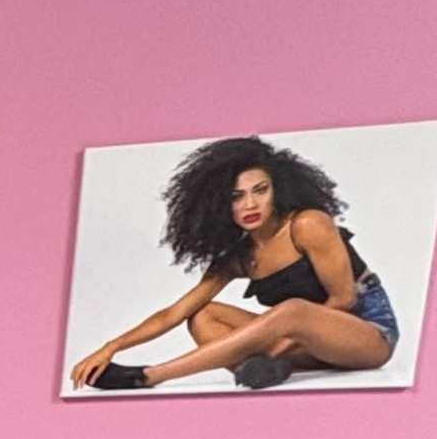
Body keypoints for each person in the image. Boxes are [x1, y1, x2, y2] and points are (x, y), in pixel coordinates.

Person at [71, 137, 400, 391]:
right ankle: (269, 369)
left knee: (293, 311)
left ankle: (151, 376)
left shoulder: (307, 224)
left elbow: (344, 299)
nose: (250, 204)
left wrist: (275, 349)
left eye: (260, 190)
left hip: (367, 336)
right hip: (306, 347)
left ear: (279, 189)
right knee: (204, 314)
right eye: (236, 196)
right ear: (217, 205)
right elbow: (175, 313)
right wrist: (110, 347)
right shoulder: (239, 256)